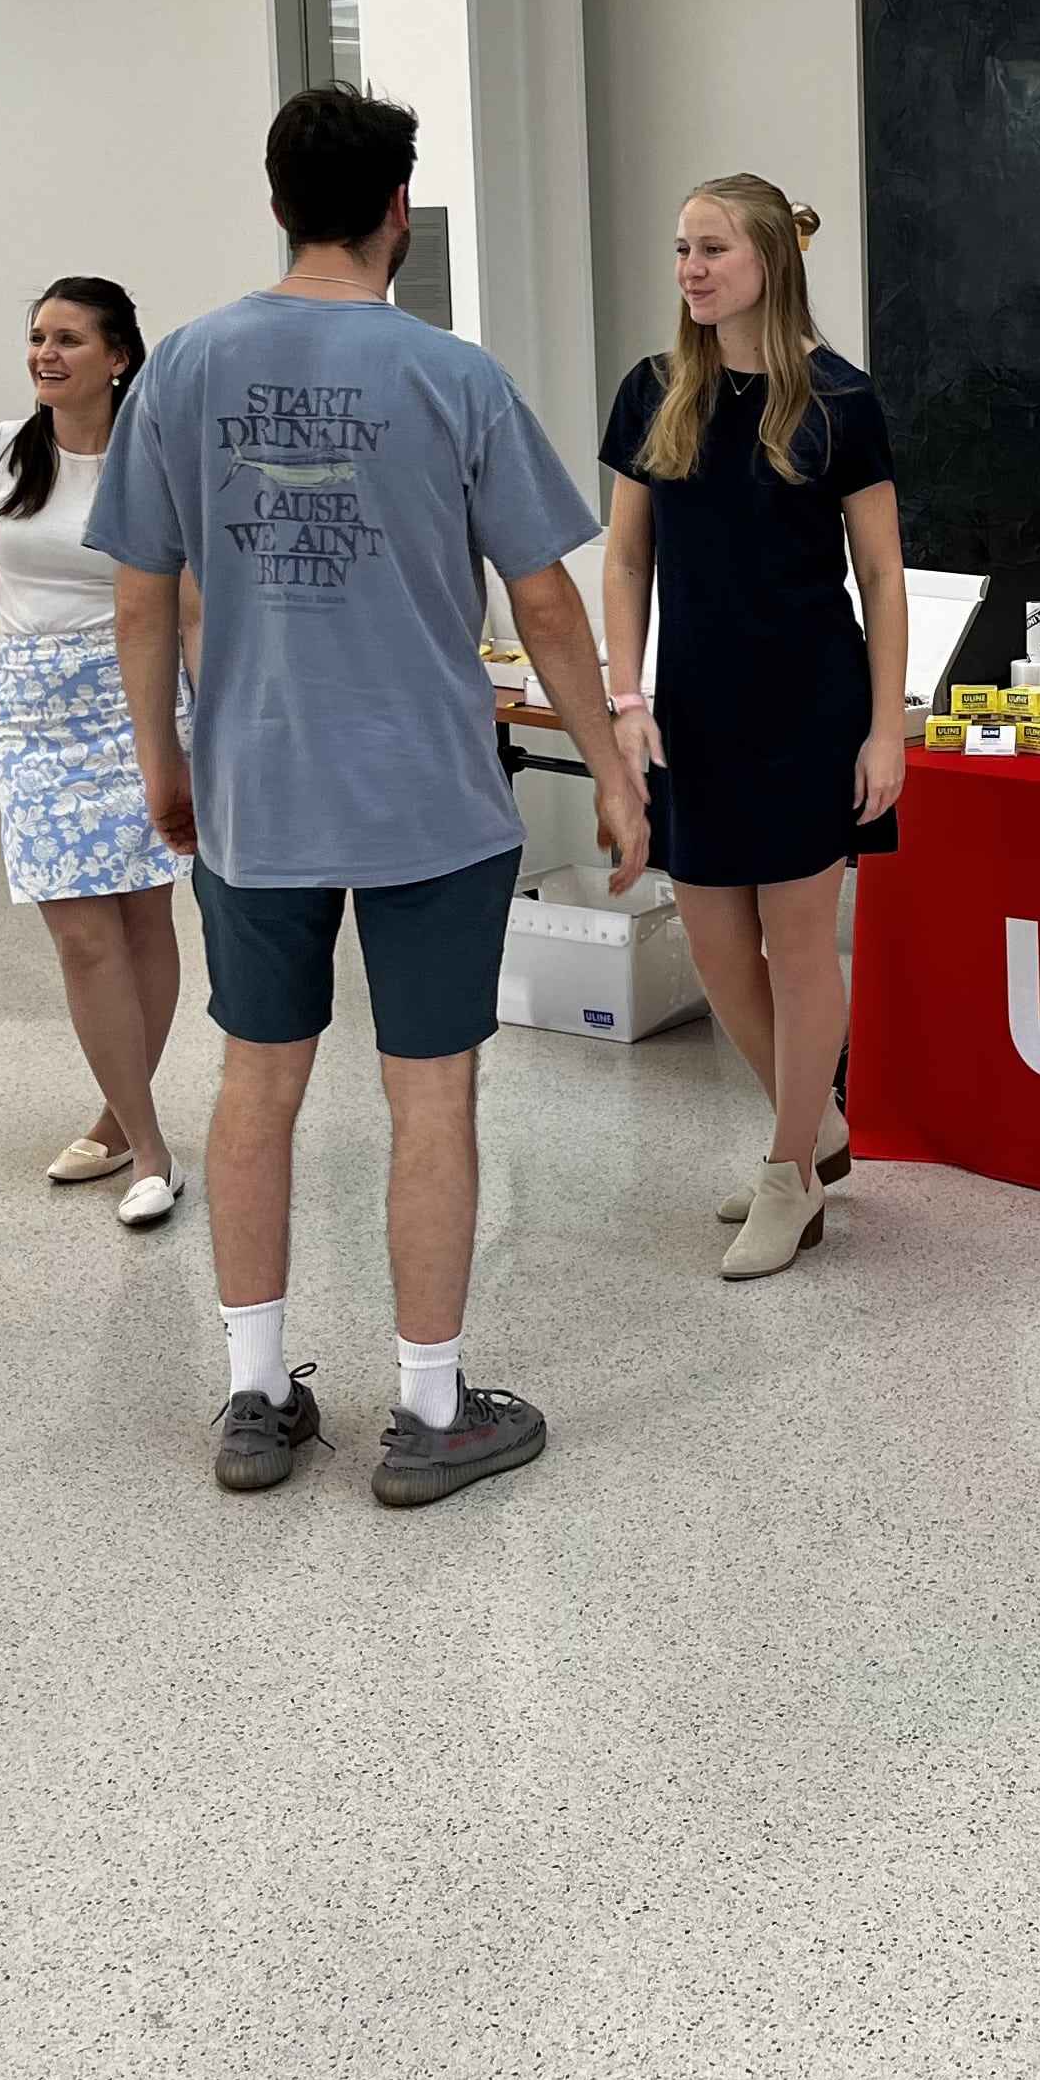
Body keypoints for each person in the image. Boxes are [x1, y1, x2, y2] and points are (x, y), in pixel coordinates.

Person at [90, 84, 646, 1508]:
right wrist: (615, 763)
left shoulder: (187, 370)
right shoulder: (456, 378)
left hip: (254, 790)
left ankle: (255, 1400)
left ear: (280, 203)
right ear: (401, 208)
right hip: (430, 803)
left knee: (255, 1083)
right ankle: (426, 1410)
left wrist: (165, 760)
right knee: (431, 1095)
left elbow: (141, 594)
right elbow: (549, 604)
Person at [597, 177, 909, 1279]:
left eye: (713, 249)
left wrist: (886, 731)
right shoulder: (654, 392)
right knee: (717, 944)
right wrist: (625, 704)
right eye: (682, 248)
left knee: (796, 935)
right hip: (693, 708)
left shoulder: (838, 401)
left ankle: (791, 1173)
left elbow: (880, 575)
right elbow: (626, 558)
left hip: (809, 708)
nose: (691, 268)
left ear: (768, 260)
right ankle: (813, 1127)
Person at [0, 279, 197, 1230]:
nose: (45, 355)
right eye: (36, 338)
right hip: (33, 712)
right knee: (78, 931)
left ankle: (119, 1117)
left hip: (135, 701)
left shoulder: (154, 461)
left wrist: (212, 721)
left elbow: (186, 606)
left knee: (145, 922)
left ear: (118, 358)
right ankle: (151, 1149)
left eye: (68, 339)